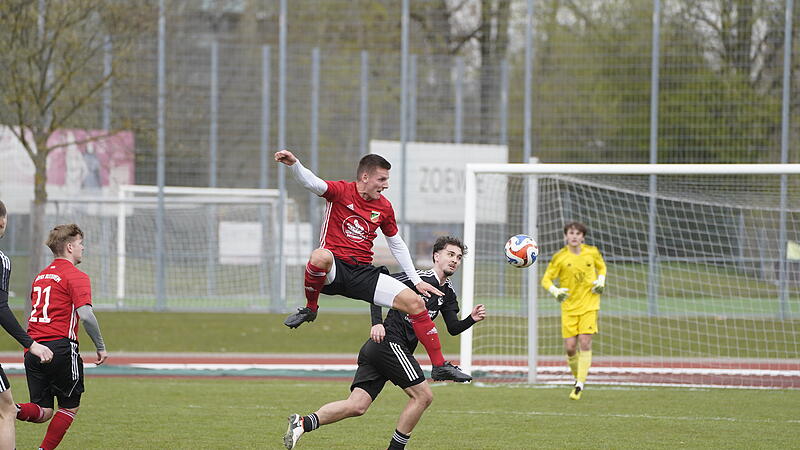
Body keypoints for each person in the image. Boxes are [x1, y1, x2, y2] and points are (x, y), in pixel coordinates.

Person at [275, 150, 469, 382]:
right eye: (382, 179)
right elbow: (311, 182)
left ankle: (439, 366)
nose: (386, 185)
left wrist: (416, 281)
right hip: (336, 268)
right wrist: (294, 164)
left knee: (415, 303)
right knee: (319, 257)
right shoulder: (340, 191)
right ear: (365, 177)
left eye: (387, 179)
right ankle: (311, 308)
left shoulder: (384, 207)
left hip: (363, 273)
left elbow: (396, 244)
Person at [283, 236, 486, 450]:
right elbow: (375, 288)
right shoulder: (417, 278)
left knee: (357, 406)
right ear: (436, 256)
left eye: (459, 257)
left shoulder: (449, 293)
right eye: (450, 254)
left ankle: (303, 423)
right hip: (389, 342)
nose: (454, 260)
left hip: (383, 350)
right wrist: (376, 323)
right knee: (423, 396)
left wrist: (471, 319)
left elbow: (453, 328)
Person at [15, 224, 108, 450]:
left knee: (44, 411)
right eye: (79, 243)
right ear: (69, 247)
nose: (83, 248)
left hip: (33, 349)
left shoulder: (40, 277)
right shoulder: (76, 276)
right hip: (61, 349)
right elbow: (85, 314)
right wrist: (101, 346)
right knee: (69, 406)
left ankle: (11, 409)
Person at [0, 201, 54, 450]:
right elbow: (0, 308)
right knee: (6, 411)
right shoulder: (1, 260)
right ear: (3, 222)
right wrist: (30, 343)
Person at [540, 221, 606, 400]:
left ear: (583, 237)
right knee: (570, 348)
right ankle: (578, 377)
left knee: (585, 342)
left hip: (589, 305)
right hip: (569, 308)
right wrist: (555, 290)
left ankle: (579, 385)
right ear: (565, 236)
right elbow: (546, 279)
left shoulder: (592, 252)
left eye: (578, 233)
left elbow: (602, 267)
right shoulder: (560, 257)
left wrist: (601, 281)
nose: (574, 236)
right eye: (571, 233)